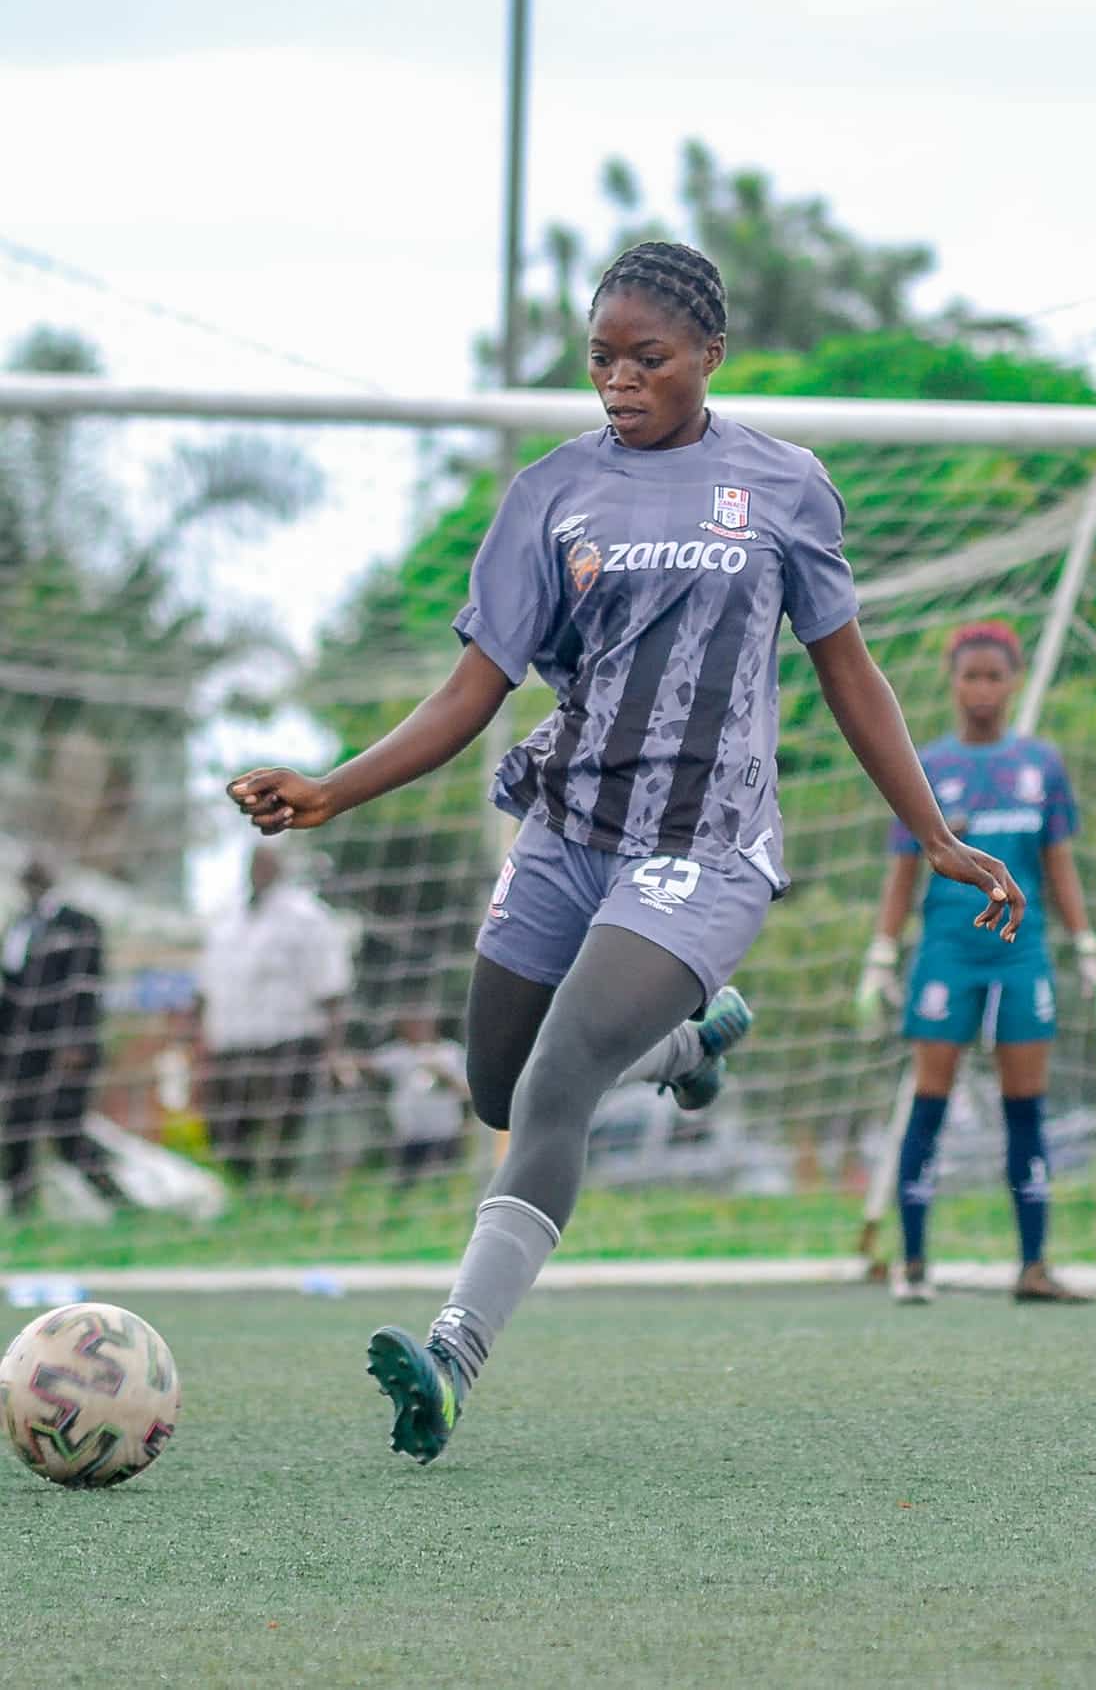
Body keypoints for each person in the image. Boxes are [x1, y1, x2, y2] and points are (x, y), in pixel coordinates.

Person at [226, 240, 1025, 1465]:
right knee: (499, 1084)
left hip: (701, 843)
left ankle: (450, 1357)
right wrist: (333, 789)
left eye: (648, 358)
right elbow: (472, 689)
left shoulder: (784, 485)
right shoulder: (550, 490)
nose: (620, 379)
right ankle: (687, 1046)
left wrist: (932, 830)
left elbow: (848, 670)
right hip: (565, 829)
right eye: (602, 357)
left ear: (710, 355)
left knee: (553, 1082)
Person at [856, 619, 1096, 1306]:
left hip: (1021, 955)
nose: (983, 688)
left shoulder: (1041, 765)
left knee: (1027, 1105)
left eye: (995, 675)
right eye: (972, 675)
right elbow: (903, 872)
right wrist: (881, 953)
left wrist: (1086, 947)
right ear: (952, 680)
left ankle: (1033, 1264)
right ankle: (912, 1263)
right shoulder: (926, 765)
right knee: (929, 1099)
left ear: (1013, 681)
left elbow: (1059, 865)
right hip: (947, 953)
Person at [192, 844, 353, 1183]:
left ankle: (282, 1189)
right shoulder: (226, 919)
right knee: (227, 1128)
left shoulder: (307, 917)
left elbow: (332, 988)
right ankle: (246, 1190)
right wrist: (199, 1046)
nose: (257, 869)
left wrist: (334, 1051)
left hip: (286, 1042)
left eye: (265, 862)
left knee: (283, 1128)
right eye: (252, 862)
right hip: (230, 1044)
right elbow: (205, 989)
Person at [0, 856, 124, 1213]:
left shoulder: (79, 924)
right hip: (22, 1050)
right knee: (16, 1128)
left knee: (66, 1127)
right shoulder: (17, 926)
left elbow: (87, 988)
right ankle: (21, 1209)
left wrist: (78, 1042)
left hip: (64, 1045)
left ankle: (117, 1198)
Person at [371, 1009, 470, 1187]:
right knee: (405, 1185)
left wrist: (444, 1075)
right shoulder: (397, 1052)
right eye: (410, 1023)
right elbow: (368, 1065)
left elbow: (466, 1090)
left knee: (444, 1184)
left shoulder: (450, 1051)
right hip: (410, 1134)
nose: (416, 1027)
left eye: (420, 1021)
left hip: (445, 1132)